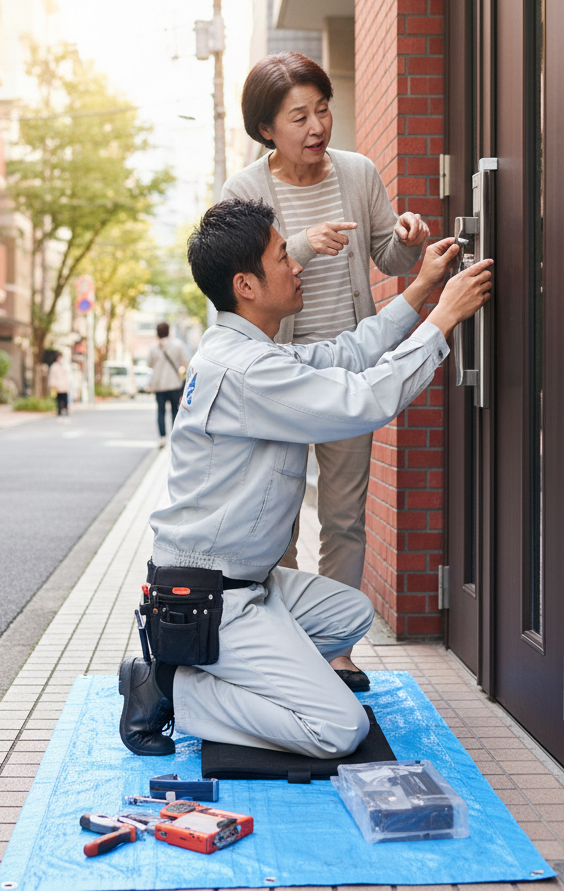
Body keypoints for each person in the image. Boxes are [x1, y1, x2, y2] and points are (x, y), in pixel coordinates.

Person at [117, 198, 491, 759]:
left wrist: (420, 291)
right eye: (281, 256)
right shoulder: (247, 369)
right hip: (210, 599)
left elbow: (345, 352)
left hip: (245, 583)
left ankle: (234, 667)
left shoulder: (248, 351)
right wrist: (443, 319)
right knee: (338, 729)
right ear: (245, 285)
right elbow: (362, 399)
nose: (296, 265)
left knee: (350, 614)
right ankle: (169, 686)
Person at [222, 52, 430, 593]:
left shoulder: (357, 171)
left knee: (344, 517)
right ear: (266, 128)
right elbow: (236, 281)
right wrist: (302, 246)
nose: (316, 127)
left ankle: (337, 647)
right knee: (276, 521)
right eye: (299, 117)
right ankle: (285, 636)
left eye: (323, 110)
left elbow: (387, 256)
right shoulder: (243, 192)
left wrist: (407, 240)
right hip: (276, 375)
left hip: (348, 367)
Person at [148, 322, 189, 448]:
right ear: (169, 331)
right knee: (175, 411)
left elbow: (150, 364)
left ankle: (162, 438)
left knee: (160, 412)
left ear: (157, 333)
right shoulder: (177, 345)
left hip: (159, 385)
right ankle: (174, 437)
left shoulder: (154, 347)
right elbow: (186, 362)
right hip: (174, 384)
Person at [47, 352, 70, 417]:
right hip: (58, 386)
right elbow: (52, 376)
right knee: (59, 400)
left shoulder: (63, 365)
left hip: (64, 386)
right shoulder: (54, 366)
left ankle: (65, 410)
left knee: (65, 398)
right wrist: (53, 385)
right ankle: (59, 411)